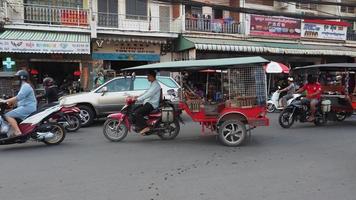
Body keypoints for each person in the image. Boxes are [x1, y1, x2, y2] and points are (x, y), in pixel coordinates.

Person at [5, 70, 37, 137]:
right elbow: (20, 99)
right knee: (11, 112)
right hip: (25, 106)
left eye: (17, 77)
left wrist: (5, 101)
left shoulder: (25, 86)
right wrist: (10, 103)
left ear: (21, 78)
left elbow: (18, 97)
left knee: (7, 115)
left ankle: (18, 131)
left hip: (27, 107)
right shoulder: (24, 85)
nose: (16, 79)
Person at [133, 71, 161, 135]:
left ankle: (145, 127)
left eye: (148, 76)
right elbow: (146, 92)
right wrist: (137, 96)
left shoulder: (156, 85)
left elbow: (149, 94)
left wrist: (138, 99)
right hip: (148, 103)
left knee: (137, 113)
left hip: (151, 104)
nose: (147, 78)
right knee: (134, 111)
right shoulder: (153, 84)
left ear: (152, 76)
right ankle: (139, 126)